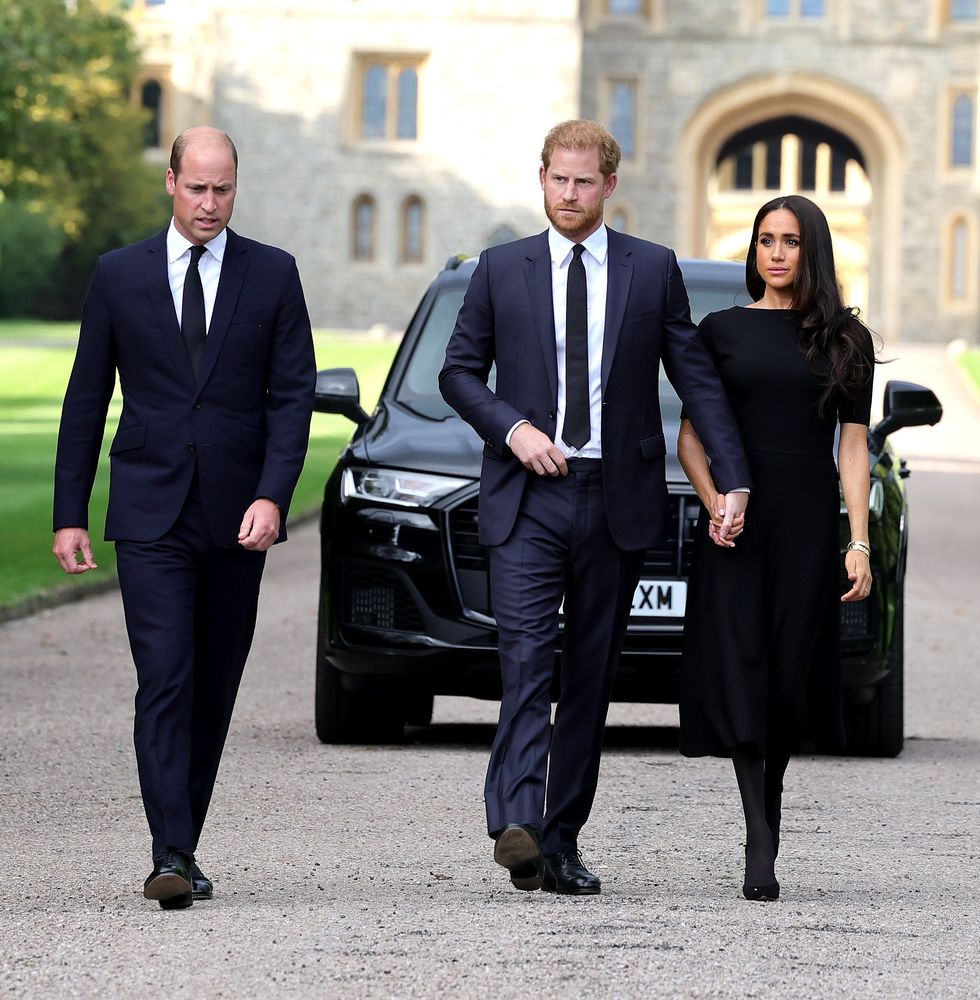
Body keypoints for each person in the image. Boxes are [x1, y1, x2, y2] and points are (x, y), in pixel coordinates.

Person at [439, 119, 751, 895]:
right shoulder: (498, 269)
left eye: (584, 182)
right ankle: (515, 819)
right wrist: (513, 429)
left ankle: (560, 840)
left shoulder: (652, 271)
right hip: (528, 497)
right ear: (540, 177)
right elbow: (458, 372)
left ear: (610, 185)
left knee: (588, 677)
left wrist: (733, 474)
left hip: (617, 499)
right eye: (557, 180)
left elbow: (695, 379)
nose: (569, 195)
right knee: (525, 659)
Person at [52, 126, 316, 909]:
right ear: (170, 183)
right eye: (197, 188)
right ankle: (168, 850)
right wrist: (71, 512)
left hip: (240, 516)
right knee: (164, 677)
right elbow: (85, 398)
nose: (210, 204)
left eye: (223, 189)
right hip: (149, 512)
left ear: (237, 186)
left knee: (214, 685)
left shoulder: (273, 274)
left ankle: (183, 840)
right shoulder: (117, 275)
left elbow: (292, 396)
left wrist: (273, 494)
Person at [677, 194, 875, 902]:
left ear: (811, 249)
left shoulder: (847, 339)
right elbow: (693, 436)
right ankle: (760, 838)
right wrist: (713, 504)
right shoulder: (721, 331)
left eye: (791, 241)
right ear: (754, 250)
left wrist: (858, 541)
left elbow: (854, 447)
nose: (777, 253)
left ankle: (770, 810)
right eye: (765, 240)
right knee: (742, 666)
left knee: (788, 674)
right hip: (739, 526)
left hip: (806, 526)